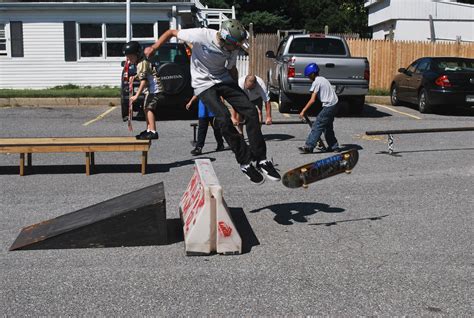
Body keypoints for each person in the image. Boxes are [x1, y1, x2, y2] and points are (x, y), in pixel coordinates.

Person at [145, 19, 280, 184]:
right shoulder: (202, 35)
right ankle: (244, 161)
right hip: (203, 85)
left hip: (223, 80)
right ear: (225, 39)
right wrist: (154, 47)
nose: (237, 48)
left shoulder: (233, 47)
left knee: (251, 111)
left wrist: (237, 94)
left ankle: (261, 159)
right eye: (235, 45)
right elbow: (172, 32)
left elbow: (231, 69)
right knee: (223, 117)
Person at [298, 63, 340, 153]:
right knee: (327, 127)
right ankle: (334, 146)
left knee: (317, 125)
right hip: (334, 104)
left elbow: (312, 100)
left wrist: (303, 110)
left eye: (309, 76)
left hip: (329, 105)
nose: (309, 78)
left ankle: (309, 146)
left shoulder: (316, 82)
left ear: (313, 74)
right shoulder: (323, 79)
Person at [123, 41, 161, 140]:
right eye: (128, 57)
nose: (129, 59)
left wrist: (136, 95)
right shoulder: (141, 62)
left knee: (148, 108)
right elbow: (142, 75)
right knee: (145, 108)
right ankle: (148, 129)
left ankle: (153, 131)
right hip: (151, 89)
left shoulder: (141, 64)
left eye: (131, 57)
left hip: (154, 89)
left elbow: (143, 81)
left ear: (137, 54)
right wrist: (134, 77)